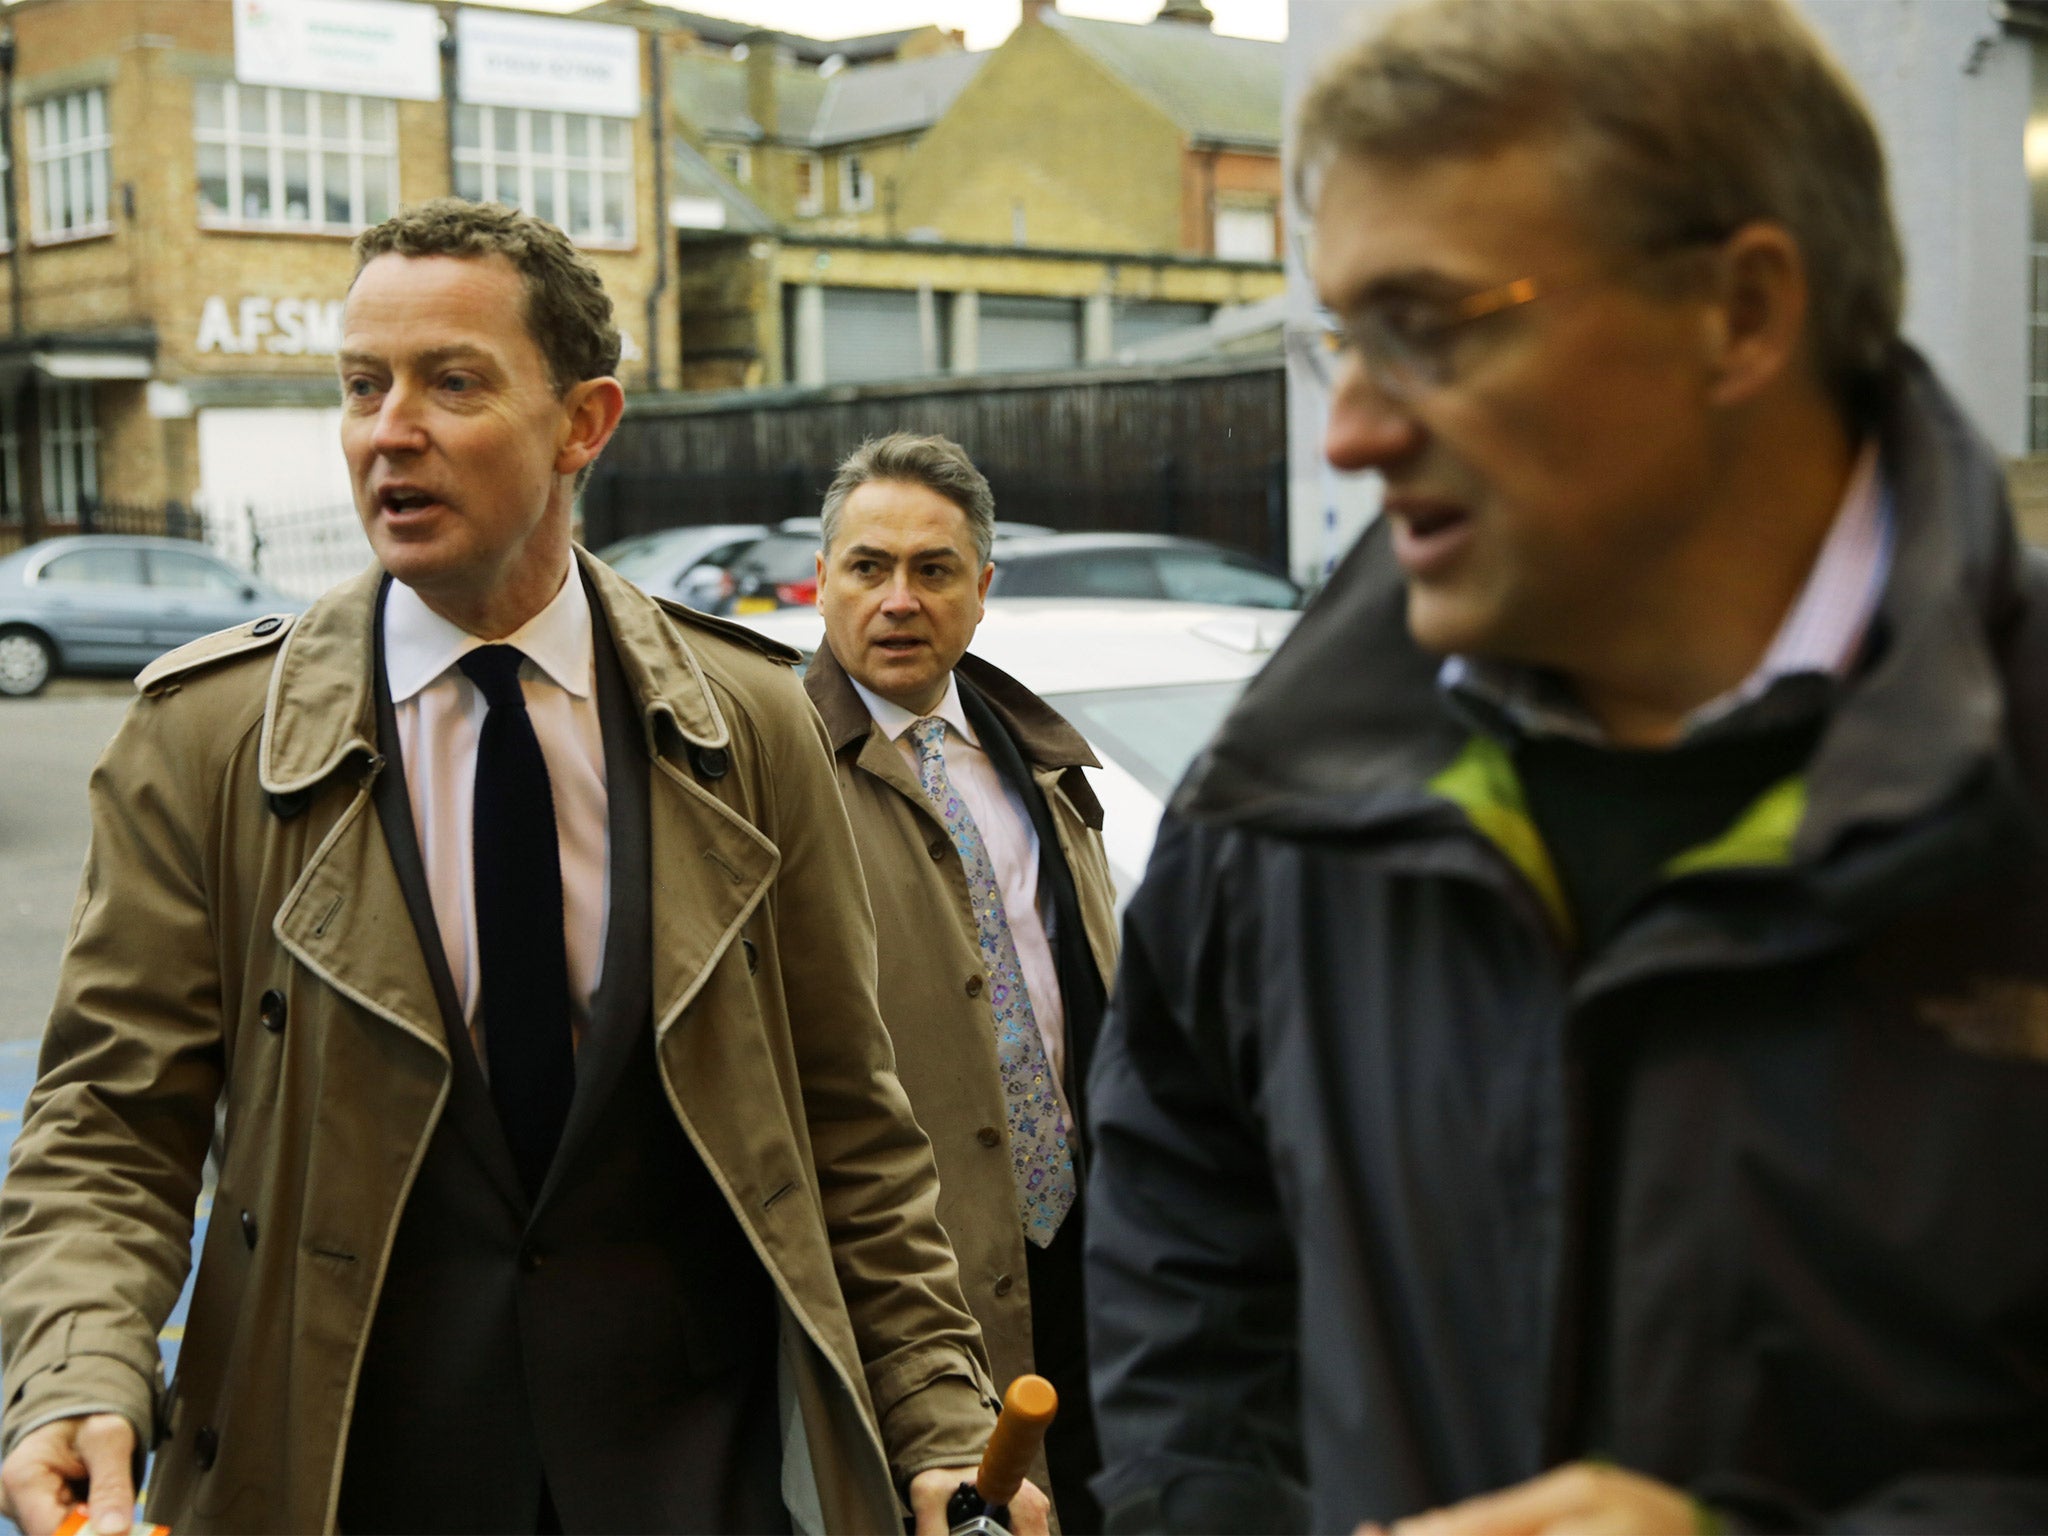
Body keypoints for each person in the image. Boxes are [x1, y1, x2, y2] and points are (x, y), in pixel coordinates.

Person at [1084, 2, 2048, 1531]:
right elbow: (1186, 1193)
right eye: (1340, 336)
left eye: (1434, 325)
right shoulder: (1290, 785)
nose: (1349, 431)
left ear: (1740, 311)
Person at [0, 201, 1048, 1536]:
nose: (391, 429)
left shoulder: (750, 722)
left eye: (452, 382)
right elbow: (107, 1118)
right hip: (339, 1478)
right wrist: (79, 1368)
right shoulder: (208, 737)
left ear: (584, 424)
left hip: (697, 1481)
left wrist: (937, 1421)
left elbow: (850, 1123)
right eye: (363, 386)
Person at [808, 433, 1118, 1532]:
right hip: (908, 1290)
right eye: (867, 567)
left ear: (981, 591)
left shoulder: (1035, 759)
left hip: (1087, 1267)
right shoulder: (772, 773)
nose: (899, 599)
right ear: (822, 581)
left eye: (933, 571)